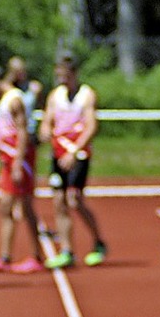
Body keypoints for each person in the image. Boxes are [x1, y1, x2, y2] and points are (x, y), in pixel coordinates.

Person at [39, 54, 107, 269]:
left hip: (78, 155)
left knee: (74, 200)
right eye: (59, 76)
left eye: (65, 76)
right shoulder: (55, 96)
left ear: (74, 75)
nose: (62, 81)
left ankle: (98, 241)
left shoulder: (87, 96)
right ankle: (67, 250)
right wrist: (44, 131)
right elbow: (47, 121)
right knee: (59, 202)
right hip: (58, 155)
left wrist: (74, 150)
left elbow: (91, 126)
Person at [0, 63, 45, 275]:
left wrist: (17, 162)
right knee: (6, 207)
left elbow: (23, 131)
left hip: (18, 160)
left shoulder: (14, 100)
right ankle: (5, 257)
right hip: (8, 160)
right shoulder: (6, 98)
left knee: (25, 207)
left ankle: (37, 256)